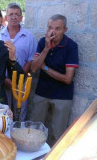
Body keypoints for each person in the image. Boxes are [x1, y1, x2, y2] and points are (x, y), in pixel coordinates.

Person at [29, 14, 79, 146]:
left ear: (65, 30)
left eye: (58, 29)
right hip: (42, 92)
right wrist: (46, 48)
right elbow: (34, 69)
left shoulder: (71, 46)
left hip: (62, 96)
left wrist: (44, 67)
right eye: (50, 28)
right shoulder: (42, 42)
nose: (53, 32)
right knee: (34, 130)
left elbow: (68, 79)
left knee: (58, 134)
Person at [0, 2, 37, 121]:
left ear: (21, 17)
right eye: (11, 14)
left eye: (17, 14)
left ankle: (18, 134)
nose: (14, 17)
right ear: (6, 17)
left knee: (20, 111)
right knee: (4, 112)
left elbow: (30, 59)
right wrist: (6, 80)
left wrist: (19, 79)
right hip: (3, 81)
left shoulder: (29, 37)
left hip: (22, 81)